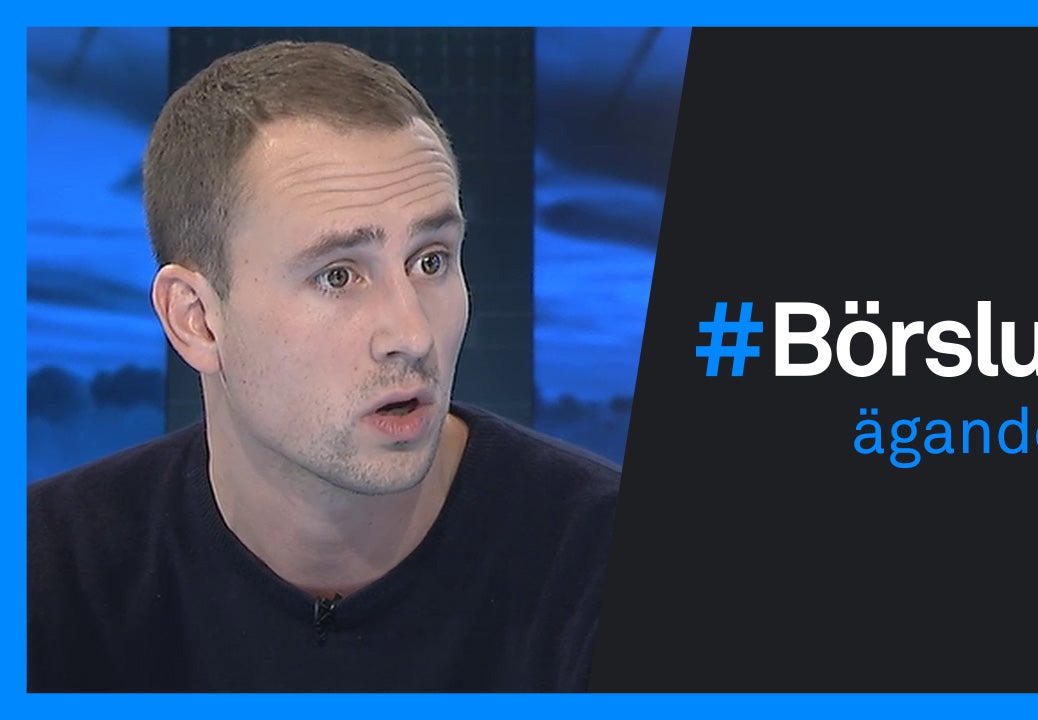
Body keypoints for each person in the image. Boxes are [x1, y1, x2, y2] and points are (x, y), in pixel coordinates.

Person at [27, 40, 620, 692]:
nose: (412, 335)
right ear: (196, 319)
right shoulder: (41, 574)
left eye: (430, 260)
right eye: (338, 275)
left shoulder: (604, 558)